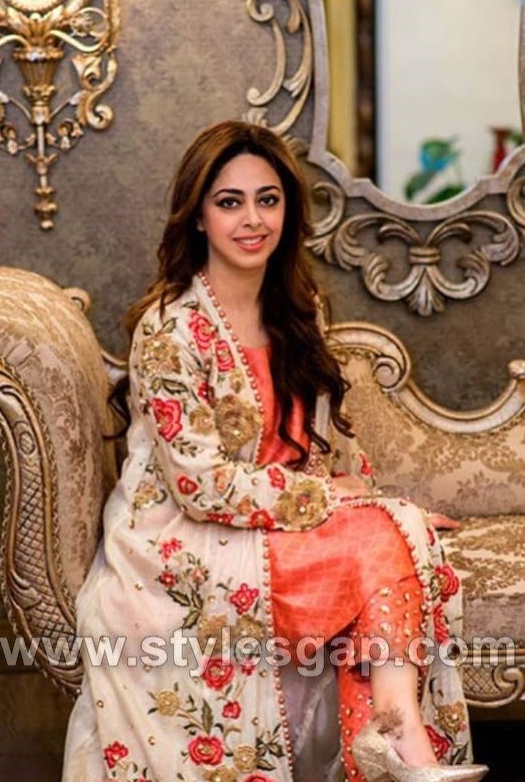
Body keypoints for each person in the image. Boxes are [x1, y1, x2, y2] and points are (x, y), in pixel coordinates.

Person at [62, 120, 488, 782]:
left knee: (395, 533)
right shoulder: (170, 331)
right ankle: (402, 742)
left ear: (288, 210)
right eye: (229, 202)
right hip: (186, 536)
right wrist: (334, 503)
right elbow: (200, 486)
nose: (252, 219)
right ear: (198, 216)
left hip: (276, 522)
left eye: (268, 199)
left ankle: (394, 739)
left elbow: (328, 447)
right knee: (384, 538)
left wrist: (376, 511)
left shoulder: (296, 309)